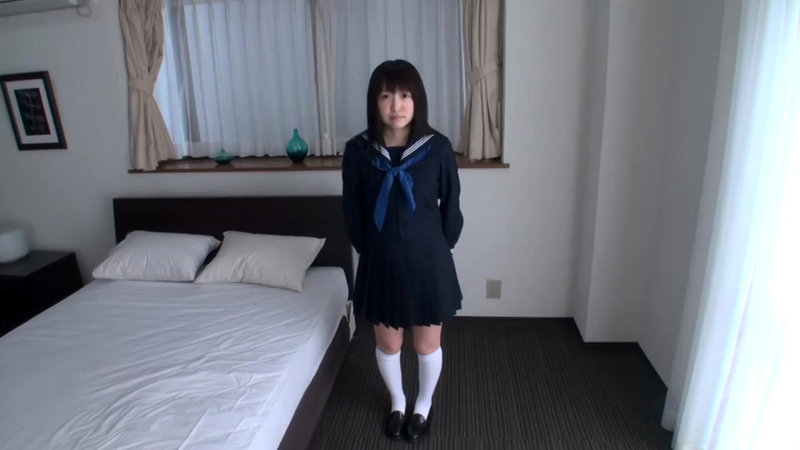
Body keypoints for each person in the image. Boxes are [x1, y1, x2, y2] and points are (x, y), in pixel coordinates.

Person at [342, 59, 464, 442]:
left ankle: (423, 404)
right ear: (374, 102)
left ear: (417, 100)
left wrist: (440, 247)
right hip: (381, 262)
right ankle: (398, 401)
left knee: (427, 344)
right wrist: (372, 250)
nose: (396, 105)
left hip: (428, 261)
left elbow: (452, 208)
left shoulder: (438, 148)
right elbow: (352, 211)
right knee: (388, 343)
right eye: (386, 96)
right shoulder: (358, 151)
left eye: (405, 95)